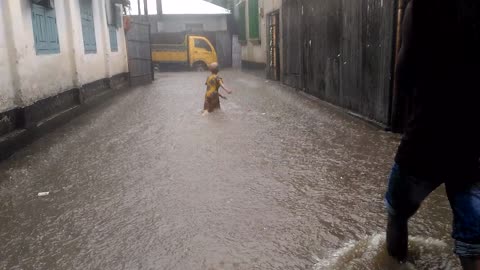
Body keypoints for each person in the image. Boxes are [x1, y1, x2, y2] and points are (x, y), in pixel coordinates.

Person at [385, 0, 480, 269]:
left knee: (397, 213)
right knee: (471, 244)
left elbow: (403, 74)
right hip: (471, 145)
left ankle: (395, 263)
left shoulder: (422, 7)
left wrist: (401, 124)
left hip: (425, 138)